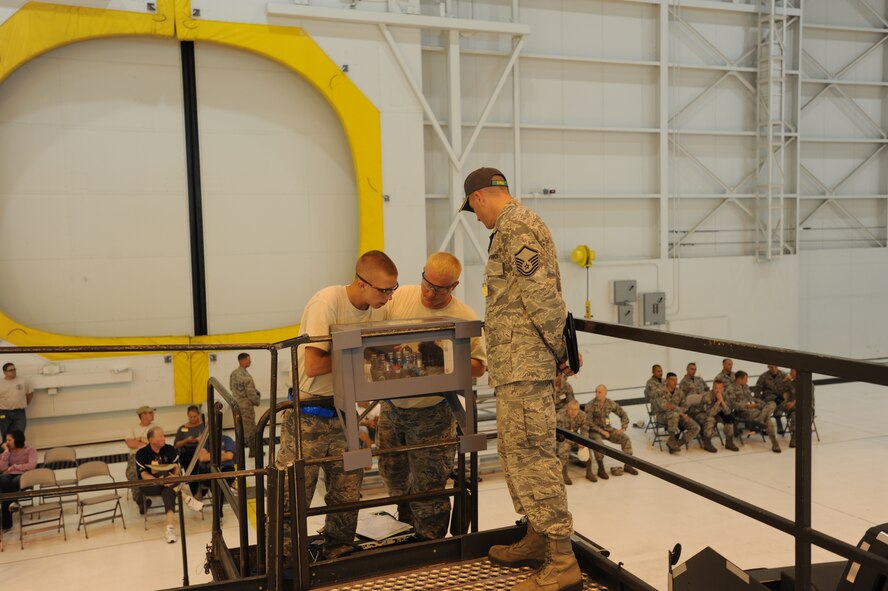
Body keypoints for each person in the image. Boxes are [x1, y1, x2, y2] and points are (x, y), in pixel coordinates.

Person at [461, 166, 582, 591]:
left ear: (478, 198)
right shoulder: (512, 228)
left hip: (526, 363)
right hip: (515, 365)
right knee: (516, 455)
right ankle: (536, 537)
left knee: (533, 455)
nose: (477, 219)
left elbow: (540, 295)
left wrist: (562, 350)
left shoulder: (518, 227)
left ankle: (562, 558)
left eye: (473, 210)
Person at [277, 250, 398, 561]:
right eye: (383, 290)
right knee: (293, 498)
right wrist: (363, 354)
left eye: (392, 290)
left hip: (344, 413)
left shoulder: (379, 307)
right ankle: (285, 564)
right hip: (308, 416)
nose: (388, 297)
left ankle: (338, 555)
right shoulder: (326, 303)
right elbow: (314, 364)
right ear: (361, 284)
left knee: (346, 495)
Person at [378, 251, 487, 540]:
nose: (430, 292)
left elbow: (479, 367)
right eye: (427, 282)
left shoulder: (464, 316)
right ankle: (404, 533)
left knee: (429, 486)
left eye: (439, 288)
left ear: (454, 287)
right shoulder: (400, 298)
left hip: (433, 412)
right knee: (393, 475)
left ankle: (431, 545)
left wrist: (443, 358)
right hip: (392, 408)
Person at [135, 426, 180, 543]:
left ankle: (170, 529)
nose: (164, 438)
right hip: (150, 486)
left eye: (163, 435)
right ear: (151, 440)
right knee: (169, 484)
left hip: (168, 484)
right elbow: (143, 474)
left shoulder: (170, 449)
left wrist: (173, 475)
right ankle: (187, 498)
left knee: (168, 491)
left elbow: (177, 469)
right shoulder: (141, 453)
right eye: (160, 436)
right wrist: (158, 480)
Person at [585, 384, 638, 477]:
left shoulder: (610, 403)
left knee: (625, 439)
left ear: (605, 393)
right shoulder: (590, 405)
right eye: (596, 392)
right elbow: (588, 422)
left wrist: (623, 428)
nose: (597, 394)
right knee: (599, 444)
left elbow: (623, 414)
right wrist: (601, 431)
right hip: (595, 431)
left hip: (608, 430)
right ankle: (600, 468)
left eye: (599, 392)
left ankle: (628, 465)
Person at [727, 371, 780, 453]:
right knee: (768, 419)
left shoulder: (745, 387)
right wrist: (748, 406)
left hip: (754, 410)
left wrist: (761, 403)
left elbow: (751, 398)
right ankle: (775, 443)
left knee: (772, 404)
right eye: (745, 379)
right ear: (739, 379)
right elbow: (732, 404)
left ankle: (761, 419)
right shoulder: (731, 388)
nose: (747, 381)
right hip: (742, 412)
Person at [652, 372, 700, 454]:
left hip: (678, 416)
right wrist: (680, 412)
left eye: (676, 380)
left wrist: (679, 412)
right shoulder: (659, 391)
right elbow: (664, 406)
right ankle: (672, 438)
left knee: (696, 427)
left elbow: (685, 406)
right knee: (674, 415)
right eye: (672, 380)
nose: (675, 382)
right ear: (667, 380)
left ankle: (677, 443)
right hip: (662, 416)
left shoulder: (679, 392)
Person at [0, 429, 37, 532]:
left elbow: (31, 466)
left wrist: (12, 468)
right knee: (3, 479)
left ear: (17, 440)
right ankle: (13, 503)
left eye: (9, 440)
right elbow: (2, 468)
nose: (6, 442)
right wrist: (6, 452)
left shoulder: (30, 450)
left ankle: (6, 524)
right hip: (7, 477)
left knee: (9, 486)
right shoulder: (7, 452)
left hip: (24, 476)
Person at [125, 405, 157, 511]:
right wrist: (144, 441)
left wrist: (139, 440)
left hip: (152, 455)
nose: (153, 414)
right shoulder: (132, 428)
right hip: (135, 456)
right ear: (143, 415)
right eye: (150, 413)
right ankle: (140, 499)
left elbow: (155, 443)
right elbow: (130, 444)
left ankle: (143, 499)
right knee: (132, 473)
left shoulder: (155, 427)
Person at [230, 353, 261, 458]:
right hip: (246, 406)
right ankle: (253, 451)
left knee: (240, 428)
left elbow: (231, 388)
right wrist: (257, 400)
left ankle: (240, 452)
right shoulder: (245, 376)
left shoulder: (234, 374)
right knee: (251, 428)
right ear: (242, 361)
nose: (250, 361)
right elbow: (251, 393)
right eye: (248, 360)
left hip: (238, 405)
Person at [174, 404, 205, 493]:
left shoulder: (204, 426)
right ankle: (195, 490)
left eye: (194, 416)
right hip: (187, 452)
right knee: (188, 461)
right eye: (190, 417)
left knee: (201, 463)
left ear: (199, 415)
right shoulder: (182, 428)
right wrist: (186, 440)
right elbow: (176, 444)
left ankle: (201, 486)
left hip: (201, 450)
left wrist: (201, 440)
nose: (192, 419)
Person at [555, 400, 588, 485]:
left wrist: (583, 441)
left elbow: (585, 430)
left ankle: (589, 472)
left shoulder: (582, 415)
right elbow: (557, 432)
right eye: (571, 409)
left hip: (575, 436)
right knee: (564, 447)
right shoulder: (560, 415)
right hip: (563, 437)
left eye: (576, 409)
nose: (573, 412)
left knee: (587, 447)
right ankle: (564, 473)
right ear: (567, 409)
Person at [196, 433, 236, 499]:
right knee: (218, 483)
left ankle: (218, 507)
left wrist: (209, 455)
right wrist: (222, 454)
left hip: (226, 469)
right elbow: (202, 458)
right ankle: (219, 507)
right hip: (208, 469)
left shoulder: (227, 439)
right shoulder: (205, 441)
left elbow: (229, 456)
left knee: (220, 483)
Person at [0, 363, 33, 440]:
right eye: (10, 370)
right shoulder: (0, 383)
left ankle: (19, 451)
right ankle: (7, 451)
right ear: (5, 372)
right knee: (5, 434)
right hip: (4, 413)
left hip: (19, 412)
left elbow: (30, 394)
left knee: (19, 434)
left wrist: (25, 404)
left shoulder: (23, 381)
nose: (13, 371)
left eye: (14, 369)